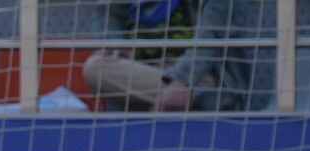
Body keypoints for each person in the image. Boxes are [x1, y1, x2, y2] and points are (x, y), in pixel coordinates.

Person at [83, 0, 259, 112]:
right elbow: (107, 12)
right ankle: (198, 100)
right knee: (96, 67)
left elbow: (212, 36)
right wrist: (116, 45)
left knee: (158, 109)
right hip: (140, 74)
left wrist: (181, 80)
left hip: (198, 77)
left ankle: (192, 96)